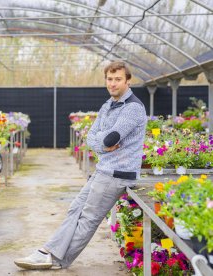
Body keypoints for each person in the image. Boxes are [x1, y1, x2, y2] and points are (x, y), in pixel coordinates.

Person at [14, 61, 147, 270]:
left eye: (118, 79)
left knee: (89, 218)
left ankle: (59, 260)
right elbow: (91, 138)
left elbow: (108, 139)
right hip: (104, 169)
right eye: (109, 79)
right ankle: (48, 252)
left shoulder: (133, 109)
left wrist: (102, 142)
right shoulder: (108, 106)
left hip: (117, 173)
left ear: (128, 81)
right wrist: (102, 144)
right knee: (75, 209)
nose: (113, 84)